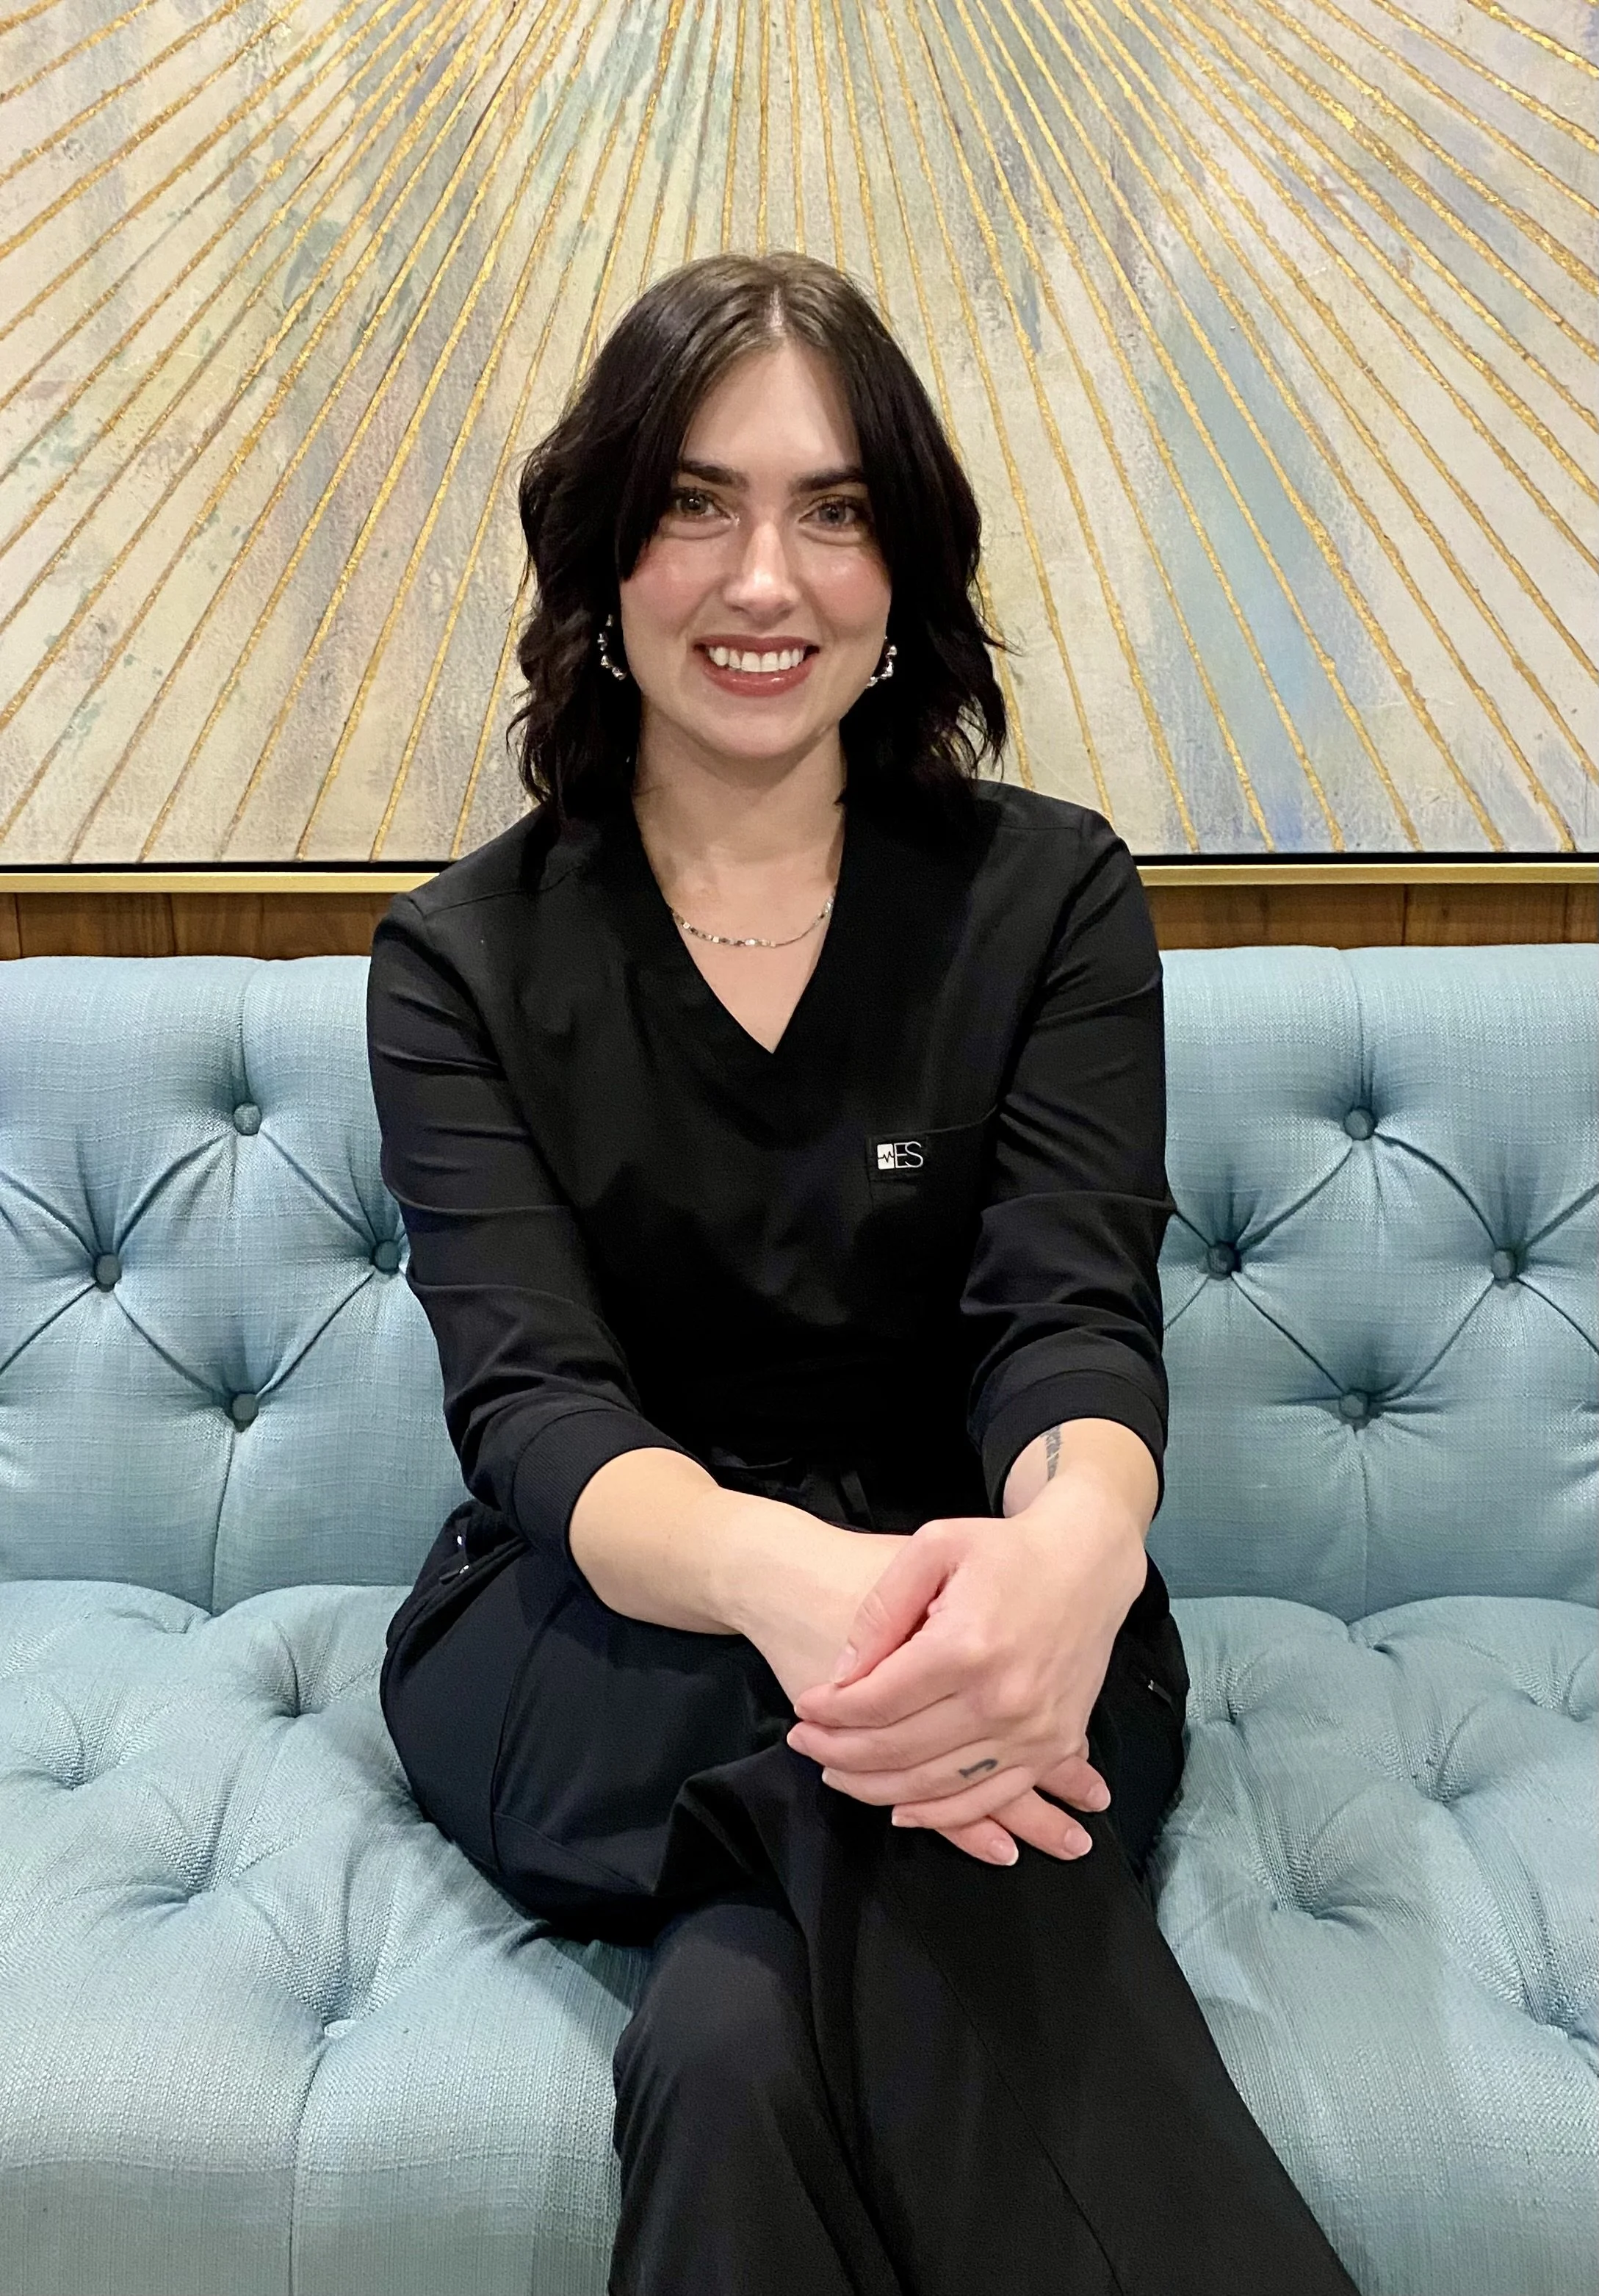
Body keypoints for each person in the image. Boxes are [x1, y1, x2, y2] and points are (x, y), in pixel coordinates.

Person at [367, 251, 1359, 2295]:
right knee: (920, 1818)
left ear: (901, 565)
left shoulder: (1047, 894)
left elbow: (1068, 1311)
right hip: (616, 1632)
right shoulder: (461, 958)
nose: (765, 579)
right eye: (696, 503)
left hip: (999, 1595)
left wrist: (1071, 1561)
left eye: (832, 509)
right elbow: (540, 1411)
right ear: (601, 554)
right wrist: (809, 1595)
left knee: (735, 2042)